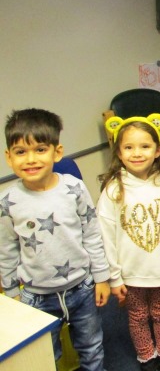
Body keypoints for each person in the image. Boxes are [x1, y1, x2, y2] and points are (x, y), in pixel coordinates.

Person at [0, 109, 110, 371]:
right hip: (36, 296)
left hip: (82, 288)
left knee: (92, 348)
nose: (30, 159)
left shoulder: (73, 188)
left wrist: (102, 277)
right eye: (20, 152)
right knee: (44, 356)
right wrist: (11, 291)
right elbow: (6, 248)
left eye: (40, 149)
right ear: (9, 157)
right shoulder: (8, 201)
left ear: (56, 153)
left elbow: (92, 233)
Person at [97, 113, 160, 371]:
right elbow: (106, 236)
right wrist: (114, 276)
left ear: (158, 150)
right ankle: (147, 357)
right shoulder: (114, 189)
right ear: (119, 151)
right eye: (128, 147)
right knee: (137, 317)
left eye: (144, 146)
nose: (136, 153)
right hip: (131, 273)